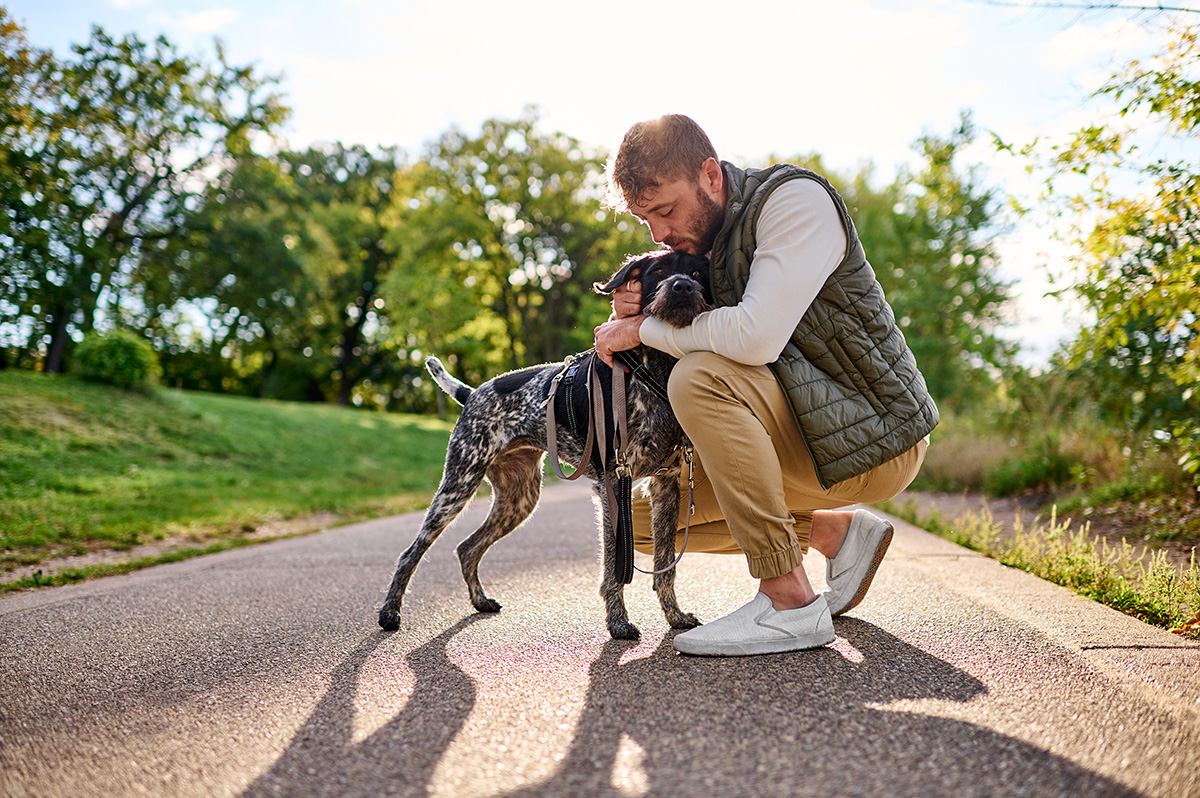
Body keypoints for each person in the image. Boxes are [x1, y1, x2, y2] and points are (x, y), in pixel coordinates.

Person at [594, 114, 937, 657]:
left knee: (700, 378)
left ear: (710, 175)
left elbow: (754, 339)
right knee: (628, 527)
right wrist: (639, 307)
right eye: (645, 220)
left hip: (873, 435)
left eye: (664, 211)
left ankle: (789, 603)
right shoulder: (701, 244)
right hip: (800, 435)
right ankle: (835, 534)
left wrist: (646, 329)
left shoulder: (795, 203)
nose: (659, 233)